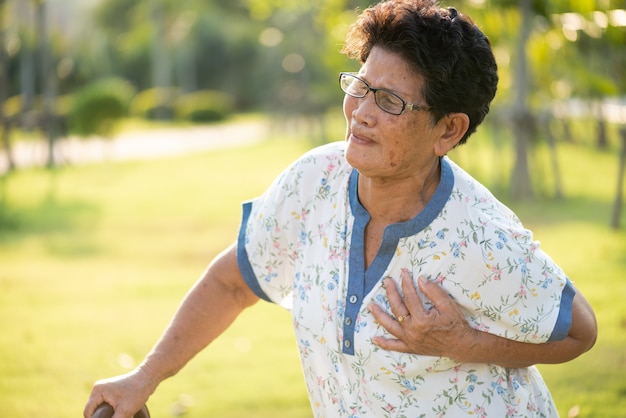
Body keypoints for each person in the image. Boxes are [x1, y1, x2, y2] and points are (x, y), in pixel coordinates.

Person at [84, 0, 598, 417]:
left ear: (448, 129)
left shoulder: (482, 237)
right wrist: (143, 376)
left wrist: (464, 343)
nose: (361, 113)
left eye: (390, 102)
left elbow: (580, 331)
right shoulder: (315, 180)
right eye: (360, 87)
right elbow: (233, 281)